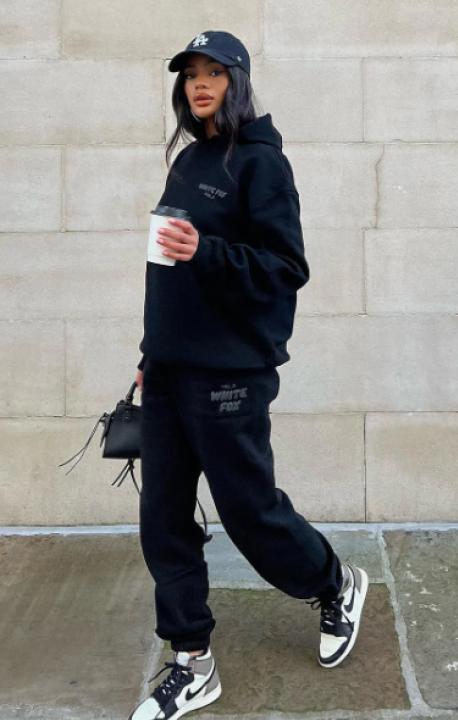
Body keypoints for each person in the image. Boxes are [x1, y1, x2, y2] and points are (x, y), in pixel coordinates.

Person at [128, 30, 368, 720]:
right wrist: (149, 355)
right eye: (190, 75)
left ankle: (333, 584)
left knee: (248, 512)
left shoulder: (262, 164)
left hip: (230, 373)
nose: (200, 84)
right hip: (171, 370)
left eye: (214, 72)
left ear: (238, 81)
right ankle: (192, 661)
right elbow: (166, 274)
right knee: (162, 519)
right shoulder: (189, 159)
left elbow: (287, 268)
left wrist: (207, 251)